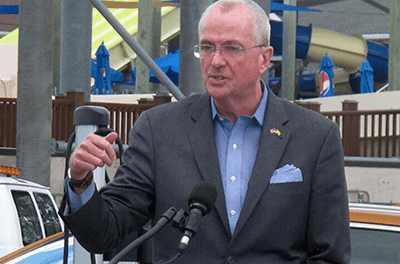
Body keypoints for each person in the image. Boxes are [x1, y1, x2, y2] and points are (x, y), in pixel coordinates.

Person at [59, 0, 351, 263]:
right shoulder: (158, 129)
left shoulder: (316, 137)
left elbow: (330, 254)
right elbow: (106, 233)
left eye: (231, 48)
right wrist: (80, 182)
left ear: (264, 59)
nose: (216, 61)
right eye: (207, 47)